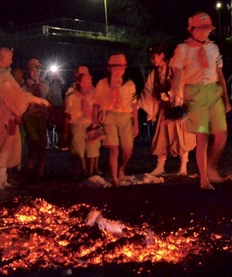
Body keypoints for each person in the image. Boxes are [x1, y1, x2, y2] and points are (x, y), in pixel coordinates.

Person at [169, 12, 231, 190]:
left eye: (208, 29)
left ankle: (210, 166)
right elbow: (177, 74)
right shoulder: (183, 49)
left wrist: (226, 98)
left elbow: (219, 73)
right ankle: (204, 178)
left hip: (213, 92)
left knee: (221, 133)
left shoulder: (214, 48)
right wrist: (174, 99)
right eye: (202, 29)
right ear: (192, 29)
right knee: (202, 136)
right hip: (194, 94)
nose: (205, 33)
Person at [0, 47, 50, 190]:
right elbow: (17, 95)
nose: (12, 61)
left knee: (2, 147)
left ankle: (3, 180)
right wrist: (36, 100)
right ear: (2, 59)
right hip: (3, 119)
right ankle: (0, 182)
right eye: (10, 58)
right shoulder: (2, 77)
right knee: (3, 149)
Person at [138, 44, 196, 177]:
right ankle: (160, 166)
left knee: (181, 136)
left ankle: (183, 167)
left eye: (154, 57)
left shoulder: (175, 67)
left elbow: (181, 82)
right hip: (165, 110)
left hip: (178, 108)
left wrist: (170, 94)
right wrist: (138, 104)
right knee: (162, 137)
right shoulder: (155, 73)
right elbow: (148, 90)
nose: (152, 60)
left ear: (162, 55)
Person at [92, 53, 139, 186]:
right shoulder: (102, 84)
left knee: (128, 149)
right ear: (110, 68)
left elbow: (134, 104)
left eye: (121, 67)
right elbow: (96, 103)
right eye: (115, 67)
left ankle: (121, 168)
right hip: (109, 116)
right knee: (114, 148)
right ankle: (114, 179)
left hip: (125, 116)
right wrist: (95, 120)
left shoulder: (130, 84)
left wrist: (136, 123)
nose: (118, 70)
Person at [65, 72, 102, 179]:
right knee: (78, 149)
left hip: (91, 123)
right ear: (79, 83)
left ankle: (90, 172)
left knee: (93, 147)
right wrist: (66, 131)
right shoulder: (72, 96)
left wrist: (95, 125)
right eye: (86, 81)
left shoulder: (94, 95)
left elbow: (97, 109)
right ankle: (81, 171)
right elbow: (67, 114)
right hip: (77, 123)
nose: (88, 83)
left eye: (89, 81)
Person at [22, 58, 51, 178]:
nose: (34, 73)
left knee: (43, 145)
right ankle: (30, 167)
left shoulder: (45, 84)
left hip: (42, 118)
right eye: (32, 70)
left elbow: (49, 100)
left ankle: (40, 170)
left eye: (36, 70)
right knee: (33, 143)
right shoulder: (23, 87)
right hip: (29, 118)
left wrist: (50, 116)